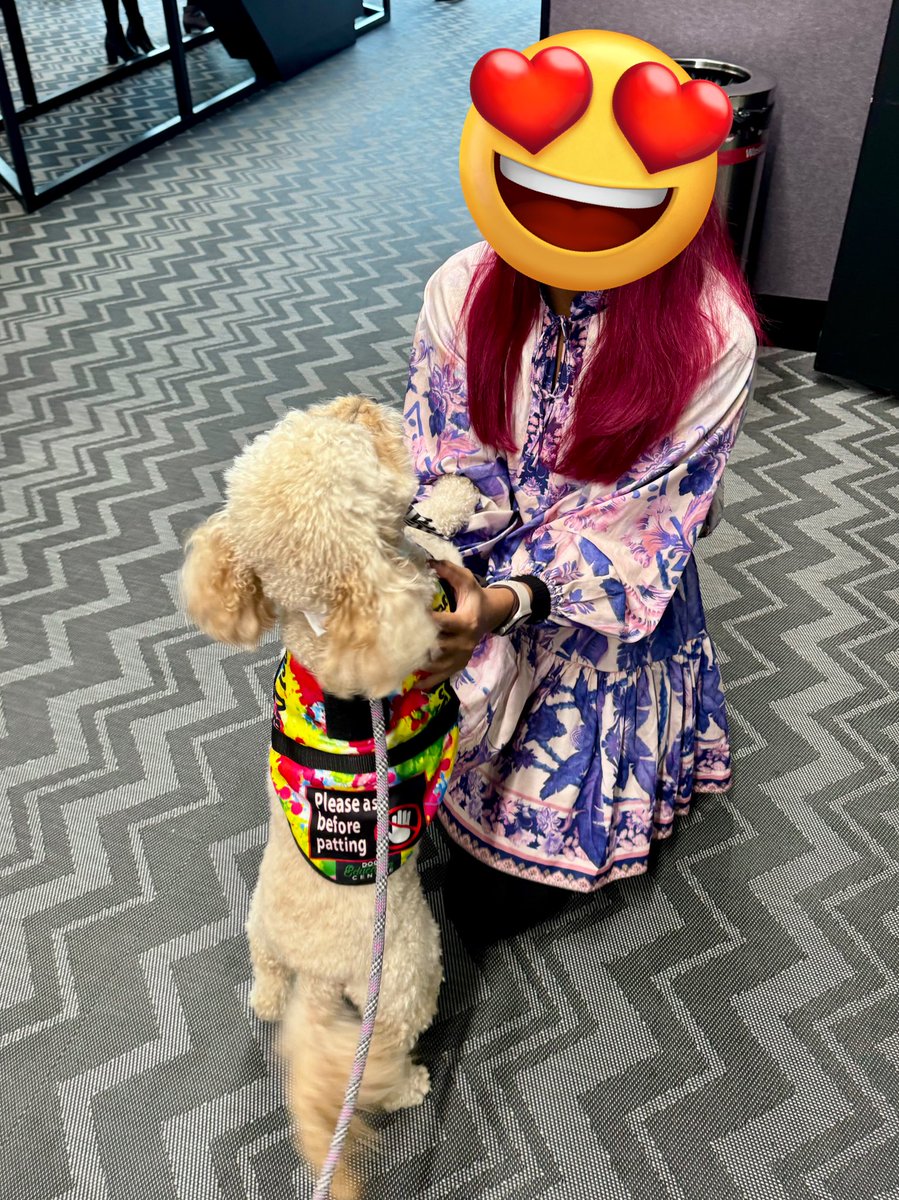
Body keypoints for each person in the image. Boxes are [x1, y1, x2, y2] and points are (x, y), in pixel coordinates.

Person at [402, 207, 759, 943]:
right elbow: (447, 460)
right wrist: (434, 574)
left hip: (596, 602)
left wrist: (503, 603)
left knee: (485, 902)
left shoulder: (712, 331)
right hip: (478, 563)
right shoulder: (464, 284)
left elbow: (635, 524)